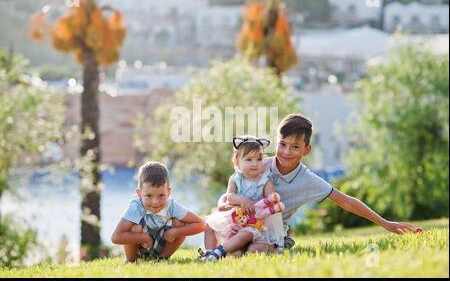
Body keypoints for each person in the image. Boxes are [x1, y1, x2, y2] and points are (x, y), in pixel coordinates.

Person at [218, 114, 415, 254]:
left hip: (270, 234)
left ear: (307, 149)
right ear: (276, 142)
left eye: (295, 147)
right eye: (282, 144)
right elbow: (233, 187)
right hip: (243, 226)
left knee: (253, 251)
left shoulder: (308, 180)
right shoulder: (260, 164)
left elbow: (346, 201)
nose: (286, 152)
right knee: (234, 252)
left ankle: (280, 245)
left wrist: (385, 223)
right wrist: (224, 203)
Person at [200, 135, 285, 261]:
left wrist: (265, 200)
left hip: (257, 224)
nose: (255, 163)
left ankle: (221, 252)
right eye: (249, 159)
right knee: (210, 225)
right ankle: (209, 251)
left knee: (253, 250)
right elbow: (230, 197)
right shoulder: (235, 179)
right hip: (239, 220)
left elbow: (271, 200)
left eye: (259, 159)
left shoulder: (265, 180)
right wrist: (242, 200)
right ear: (237, 162)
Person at [111, 161, 205, 262]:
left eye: (161, 195)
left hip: (161, 245)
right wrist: (144, 238)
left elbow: (201, 224)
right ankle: (131, 261)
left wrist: (175, 232)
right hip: (139, 246)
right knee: (134, 228)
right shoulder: (136, 206)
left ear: (168, 192)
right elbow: (116, 237)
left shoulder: (171, 206)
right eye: (148, 196)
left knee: (179, 223)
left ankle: (162, 259)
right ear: (139, 193)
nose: (155, 202)